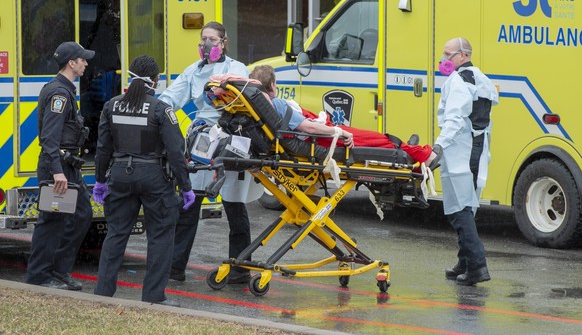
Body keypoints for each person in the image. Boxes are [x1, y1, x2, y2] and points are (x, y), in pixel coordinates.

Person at [159, 21, 261, 284]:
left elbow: (244, 90)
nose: (206, 44)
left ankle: (240, 269)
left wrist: (224, 85)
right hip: (202, 137)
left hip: (232, 135)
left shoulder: (235, 68)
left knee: (235, 205)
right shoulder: (193, 71)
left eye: (212, 40)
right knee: (189, 203)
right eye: (204, 39)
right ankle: (175, 267)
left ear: (223, 43)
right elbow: (171, 97)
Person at [93, 55, 195, 307]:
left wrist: (99, 181)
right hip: (154, 179)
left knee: (116, 233)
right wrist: (186, 186)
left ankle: (103, 292)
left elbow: (102, 148)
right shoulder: (161, 109)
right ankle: (153, 295)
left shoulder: (111, 106)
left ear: (129, 76)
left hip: (119, 175)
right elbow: (176, 151)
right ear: (156, 80)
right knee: (160, 236)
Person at [249, 65, 441, 167]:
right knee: (377, 139)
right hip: (322, 139)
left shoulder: (261, 108)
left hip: (314, 139)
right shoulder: (278, 105)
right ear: (273, 85)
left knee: (376, 139)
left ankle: (408, 152)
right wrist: (339, 132)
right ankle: (423, 155)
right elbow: (309, 128)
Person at [26, 41, 95, 290]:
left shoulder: (64, 90)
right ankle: (39, 276)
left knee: (81, 215)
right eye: (82, 60)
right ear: (71, 63)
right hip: (58, 167)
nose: (86, 63)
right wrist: (57, 172)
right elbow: (50, 138)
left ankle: (58, 269)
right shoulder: (59, 94)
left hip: (68, 166)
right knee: (52, 222)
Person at [435, 37, 498, 286]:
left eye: (448, 54)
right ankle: (465, 262)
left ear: (463, 55)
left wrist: (439, 146)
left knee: (459, 209)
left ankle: (478, 265)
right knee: (467, 206)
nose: (443, 59)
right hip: (477, 149)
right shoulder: (480, 77)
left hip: (460, 149)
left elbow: (454, 119)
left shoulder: (459, 81)